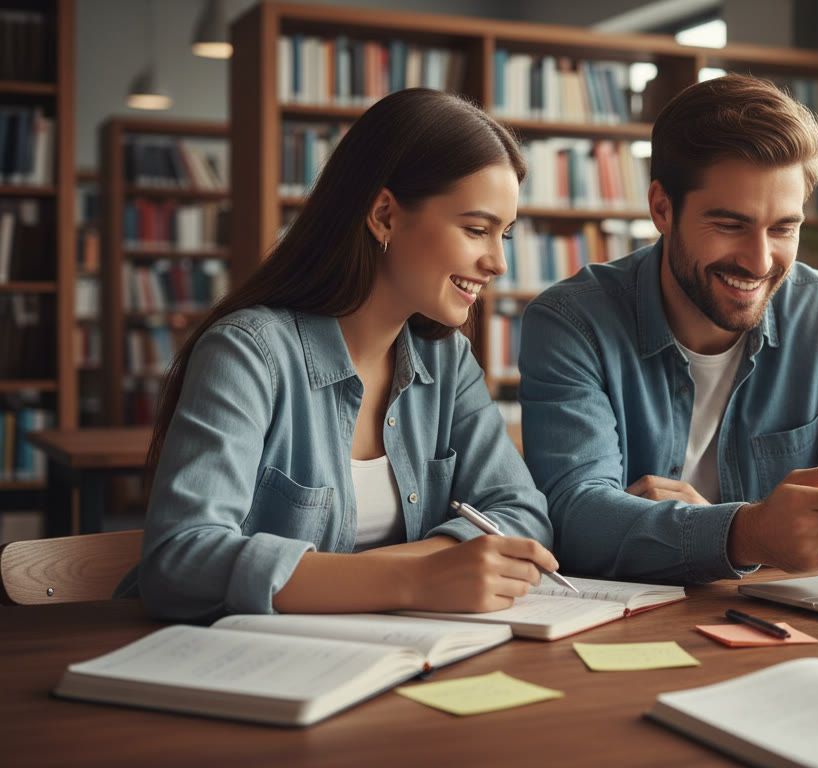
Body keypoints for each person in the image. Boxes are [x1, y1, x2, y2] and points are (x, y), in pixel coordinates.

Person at [116, 89, 558, 621]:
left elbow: (522, 511)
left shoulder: (446, 362)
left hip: (392, 658)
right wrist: (416, 578)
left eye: (505, 234)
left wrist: (423, 573)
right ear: (384, 215)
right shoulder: (248, 353)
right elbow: (180, 560)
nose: (498, 263)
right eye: (476, 229)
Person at [518, 75, 818, 583]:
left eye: (783, 228)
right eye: (731, 225)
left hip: (776, 617)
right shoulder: (571, 321)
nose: (760, 261)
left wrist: (747, 529)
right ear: (661, 208)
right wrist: (747, 530)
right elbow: (574, 516)